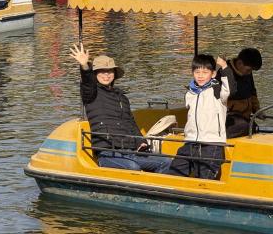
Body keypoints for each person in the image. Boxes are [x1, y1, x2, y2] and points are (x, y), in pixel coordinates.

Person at [70, 43, 171, 173]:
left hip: (129, 150)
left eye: (109, 71)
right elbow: (87, 83)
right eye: (102, 71)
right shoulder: (92, 94)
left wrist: (141, 141)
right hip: (107, 152)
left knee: (165, 161)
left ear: (114, 74)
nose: (106, 75)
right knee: (132, 167)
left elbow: (131, 123)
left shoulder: (122, 98)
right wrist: (85, 66)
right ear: (95, 74)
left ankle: (154, 186)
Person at [168, 54, 230, 180]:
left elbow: (229, 88)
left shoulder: (218, 91)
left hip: (211, 144)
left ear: (213, 74)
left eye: (205, 72)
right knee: (173, 175)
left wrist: (224, 67)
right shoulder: (190, 92)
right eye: (197, 72)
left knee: (204, 180)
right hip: (190, 142)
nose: (200, 75)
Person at [220, 48, 263, 138]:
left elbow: (252, 93)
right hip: (228, 119)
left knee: (252, 127)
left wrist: (257, 111)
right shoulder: (223, 72)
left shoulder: (247, 73)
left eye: (251, 71)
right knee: (246, 127)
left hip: (244, 117)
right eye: (248, 70)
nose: (249, 73)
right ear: (239, 63)